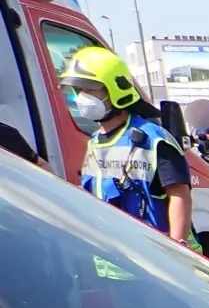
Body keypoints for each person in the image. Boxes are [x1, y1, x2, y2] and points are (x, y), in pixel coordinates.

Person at [60, 46, 194, 249]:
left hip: (153, 255)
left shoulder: (153, 139)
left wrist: (178, 248)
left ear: (116, 89)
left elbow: (179, 195)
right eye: (79, 90)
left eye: (90, 89)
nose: (82, 97)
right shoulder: (95, 142)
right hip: (112, 254)